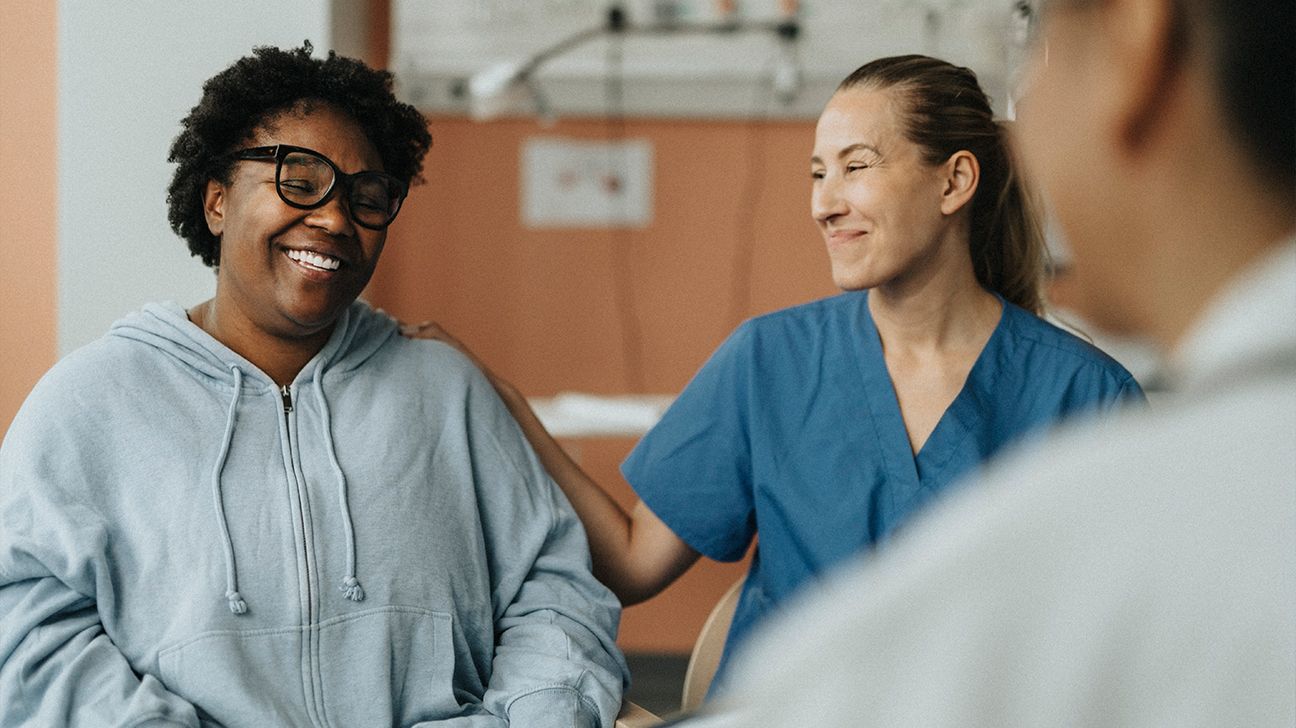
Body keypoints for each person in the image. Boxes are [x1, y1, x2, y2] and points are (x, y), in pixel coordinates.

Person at [409, 53, 1145, 684]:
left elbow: (1124, 635)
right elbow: (631, 564)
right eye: (817, 174)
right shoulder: (770, 360)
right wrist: (496, 399)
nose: (826, 204)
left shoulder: (1087, 397)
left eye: (856, 167)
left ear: (954, 183)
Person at [676, 0, 1296, 724]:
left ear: (1136, 43)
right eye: (820, 173)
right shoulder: (1191, 498)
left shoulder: (1123, 479)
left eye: (1042, 49)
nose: (824, 204)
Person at [0, 44, 627, 727]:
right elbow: (26, 624)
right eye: (299, 182)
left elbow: (556, 588)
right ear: (216, 200)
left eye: (367, 198)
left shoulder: (445, 390)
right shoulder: (91, 401)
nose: (334, 220)